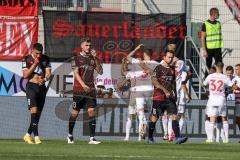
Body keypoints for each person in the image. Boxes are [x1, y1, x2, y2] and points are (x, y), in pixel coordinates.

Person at [67, 38, 103, 144]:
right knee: (75, 113)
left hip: (90, 89)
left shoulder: (92, 59)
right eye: (86, 45)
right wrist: (83, 85)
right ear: (82, 46)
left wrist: (96, 58)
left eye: (89, 45)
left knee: (92, 112)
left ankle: (92, 138)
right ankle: (69, 135)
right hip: (79, 90)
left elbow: (100, 71)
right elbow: (76, 73)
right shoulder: (76, 58)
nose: (88, 47)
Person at [148, 50, 188, 144]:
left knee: (174, 116)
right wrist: (165, 90)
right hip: (158, 98)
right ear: (164, 57)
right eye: (169, 57)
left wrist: (176, 95)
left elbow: (173, 83)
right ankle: (150, 137)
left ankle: (178, 138)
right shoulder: (158, 68)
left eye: (172, 57)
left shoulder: (172, 69)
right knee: (154, 118)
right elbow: (154, 81)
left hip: (169, 98)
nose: (170, 59)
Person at [124, 44, 159, 141]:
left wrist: (136, 48)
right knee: (148, 112)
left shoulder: (138, 62)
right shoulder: (156, 64)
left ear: (144, 54)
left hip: (138, 90)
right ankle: (141, 136)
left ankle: (127, 137)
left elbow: (127, 57)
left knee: (138, 112)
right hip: (150, 91)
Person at [22, 43, 51, 144]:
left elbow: (48, 72)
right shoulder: (27, 59)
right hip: (31, 87)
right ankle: (37, 137)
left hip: (42, 88)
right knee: (33, 111)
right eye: (36, 53)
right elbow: (25, 75)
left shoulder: (46, 59)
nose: (39, 55)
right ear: (32, 50)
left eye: (40, 53)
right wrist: (35, 63)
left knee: (37, 115)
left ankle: (27, 135)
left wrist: (45, 79)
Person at [203, 62, 234, 143]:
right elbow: (232, 86)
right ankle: (226, 139)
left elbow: (203, 84)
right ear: (222, 67)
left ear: (216, 67)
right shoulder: (224, 77)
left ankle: (210, 138)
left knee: (211, 118)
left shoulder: (210, 76)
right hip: (221, 99)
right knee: (224, 118)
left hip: (212, 100)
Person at [175, 60, 191, 135]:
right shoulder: (183, 73)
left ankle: (169, 133)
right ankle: (178, 133)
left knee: (172, 115)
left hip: (173, 95)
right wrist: (187, 96)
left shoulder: (172, 71)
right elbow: (183, 85)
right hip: (181, 97)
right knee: (181, 115)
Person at [232, 64, 240, 143]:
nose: (236, 71)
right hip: (236, 101)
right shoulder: (234, 79)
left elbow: (235, 87)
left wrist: (236, 87)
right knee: (237, 120)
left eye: (237, 69)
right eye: (236, 69)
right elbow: (231, 87)